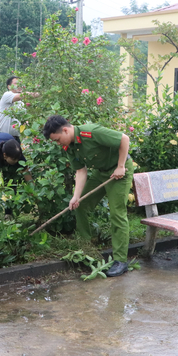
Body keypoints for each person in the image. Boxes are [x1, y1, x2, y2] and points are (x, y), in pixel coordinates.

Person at [43, 115, 133, 277]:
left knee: (117, 213)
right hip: (100, 173)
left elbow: (124, 139)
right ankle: (86, 247)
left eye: (57, 140)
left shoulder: (90, 132)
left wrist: (120, 166)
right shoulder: (70, 147)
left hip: (119, 172)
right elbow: (81, 171)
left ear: (65, 130)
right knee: (80, 205)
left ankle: (120, 260)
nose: (58, 143)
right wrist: (75, 197)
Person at [0, 76, 34, 142]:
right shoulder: (7, 95)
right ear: (9, 87)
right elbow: (24, 95)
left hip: (15, 138)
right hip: (1, 136)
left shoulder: (21, 104)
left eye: (21, 83)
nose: (19, 85)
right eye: (16, 83)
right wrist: (38, 94)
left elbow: (23, 121)